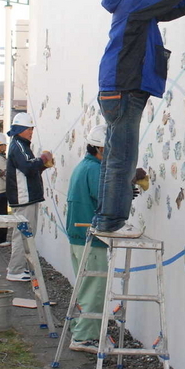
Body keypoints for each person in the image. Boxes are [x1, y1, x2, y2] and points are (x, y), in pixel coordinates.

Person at [94, 0, 185, 237]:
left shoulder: (133, 3)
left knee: (114, 159)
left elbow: (174, 6)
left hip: (118, 90)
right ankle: (112, 223)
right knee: (122, 160)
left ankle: (105, 219)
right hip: (123, 90)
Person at [65, 124, 109, 352]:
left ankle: (80, 329)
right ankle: (83, 338)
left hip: (78, 236)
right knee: (95, 287)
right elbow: (106, 199)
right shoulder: (95, 170)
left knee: (85, 286)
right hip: (90, 238)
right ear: (100, 149)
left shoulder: (84, 166)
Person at [5, 112, 53, 281]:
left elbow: (27, 169)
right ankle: (15, 270)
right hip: (23, 198)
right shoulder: (18, 146)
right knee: (22, 234)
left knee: (26, 234)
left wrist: (41, 166)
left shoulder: (20, 145)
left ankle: (18, 268)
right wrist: (42, 160)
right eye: (29, 128)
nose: (31, 131)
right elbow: (26, 167)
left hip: (26, 197)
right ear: (20, 129)